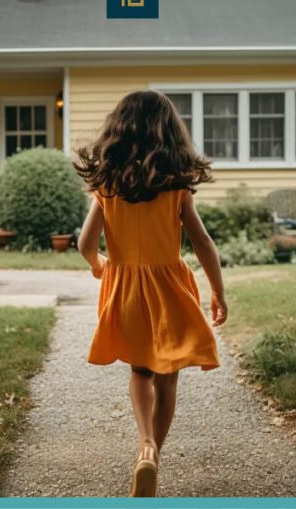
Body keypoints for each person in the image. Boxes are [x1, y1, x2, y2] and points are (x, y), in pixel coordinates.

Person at [72, 89, 228, 497]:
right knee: (168, 376)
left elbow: (86, 244)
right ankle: (155, 453)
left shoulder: (106, 186)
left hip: (124, 288)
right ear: (169, 133)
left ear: (118, 132)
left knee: (139, 370)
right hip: (169, 288)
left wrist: (99, 267)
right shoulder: (176, 185)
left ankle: (143, 444)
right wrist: (218, 292)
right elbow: (203, 242)